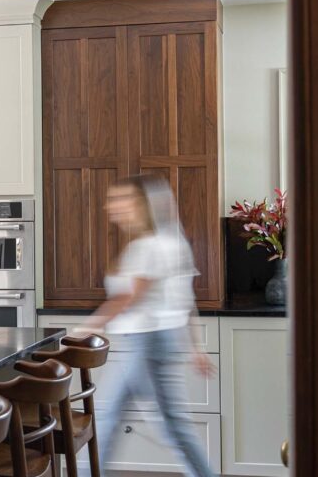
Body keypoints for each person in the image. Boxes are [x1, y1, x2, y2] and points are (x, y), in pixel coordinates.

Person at [82, 174, 216, 476]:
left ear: (142, 205)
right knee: (108, 417)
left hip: (146, 343)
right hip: (151, 341)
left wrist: (84, 329)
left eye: (120, 199)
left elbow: (127, 298)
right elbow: (185, 301)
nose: (110, 206)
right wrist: (196, 348)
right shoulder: (171, 241)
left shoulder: (148, 247)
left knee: (169, 427)